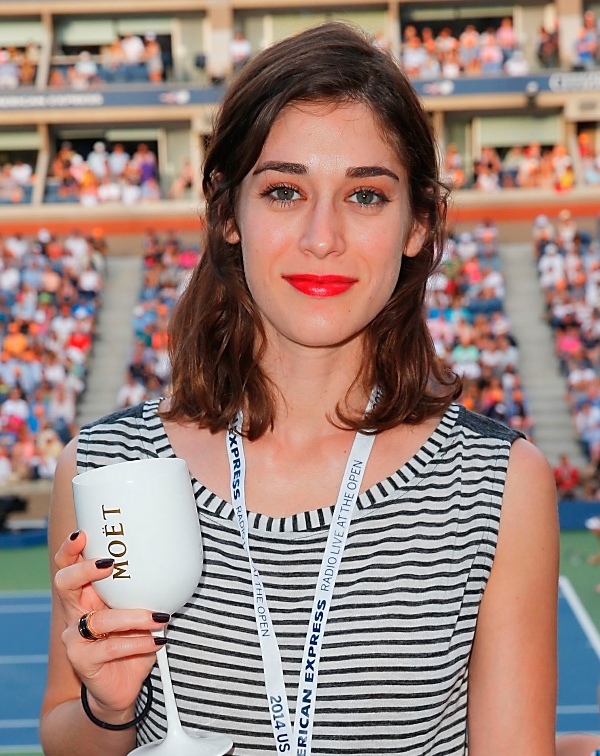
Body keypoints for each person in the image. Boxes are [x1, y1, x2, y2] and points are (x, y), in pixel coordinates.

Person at [40, 22, 558, 755]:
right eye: (284, 191)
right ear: (228, 214)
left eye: (366, 196)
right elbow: (66, 734)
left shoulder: (497, 484)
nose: (322, 237)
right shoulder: (105, 469)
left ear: (419, 224)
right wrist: (108, 703)